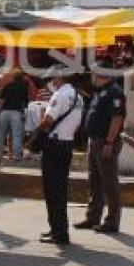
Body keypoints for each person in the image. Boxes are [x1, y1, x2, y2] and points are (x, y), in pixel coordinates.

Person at [75, 61, 126, 234]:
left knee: (109, 183)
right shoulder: (100, 92)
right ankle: (93, 217)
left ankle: (112, 221)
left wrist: (109, 143)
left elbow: (117, 119)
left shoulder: (115, 92)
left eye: (94, 73)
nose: (91, 76)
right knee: (95, 181)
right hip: (95, 141)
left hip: (105, 142)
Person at [39, 66, 84, 246]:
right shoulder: (78, 97)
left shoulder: (60, 95)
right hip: (66, 145)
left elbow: (48, 120)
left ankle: (58, 233)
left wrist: (38, 129)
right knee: (61, 190)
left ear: (60, 78)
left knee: (52, 190)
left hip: (54, 145)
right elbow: (78, 124)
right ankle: (59, 230)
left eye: (53, 79)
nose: (52, 82)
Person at [0, 71, 30, 162]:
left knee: (1, 134)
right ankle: (16, 156)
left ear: (14, 78)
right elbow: (25, 102)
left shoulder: (8, 85)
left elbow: (1, 98)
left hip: (4, 111)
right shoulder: (24, 87)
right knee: (16, 134)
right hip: (16, 112)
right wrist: (23, 113)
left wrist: (0, 109)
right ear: (22, 78)